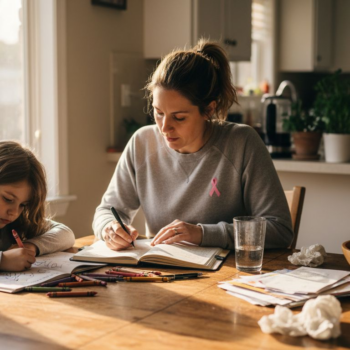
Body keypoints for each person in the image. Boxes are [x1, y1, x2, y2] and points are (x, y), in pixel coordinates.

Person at [93, 39, 293, 251]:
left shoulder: (242, 143)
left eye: (178, 117)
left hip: (228, 275)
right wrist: (110, 227)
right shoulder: (142, 143)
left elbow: (280, 231)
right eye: (159, 113)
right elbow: (107, 210)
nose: (164, 127)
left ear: (208, 110)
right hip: (161, 273)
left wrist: (202, 233)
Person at [0, 141, 75, 271]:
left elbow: (66, 234)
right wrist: (3, 260)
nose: (15, 212)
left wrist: (30, 246)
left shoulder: (15, 223)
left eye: (23, 205)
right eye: (8, 199)